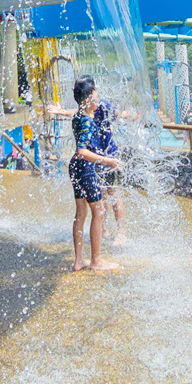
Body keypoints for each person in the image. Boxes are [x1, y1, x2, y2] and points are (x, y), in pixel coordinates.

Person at [68, 77, 121, 271]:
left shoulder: (78, 115)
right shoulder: (87, 121)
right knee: (98, 212)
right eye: (96, 94)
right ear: (89, 98)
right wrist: (107, 160)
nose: (98, 98)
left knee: (81, 213)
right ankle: (96, 260)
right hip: (85, 168)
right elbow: (81, 151)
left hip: (76, 167)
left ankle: (79, 260)